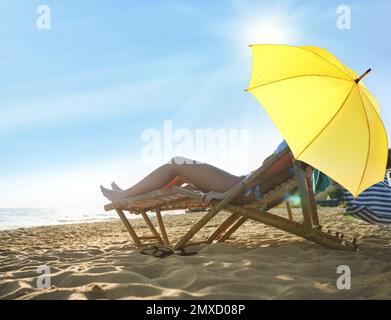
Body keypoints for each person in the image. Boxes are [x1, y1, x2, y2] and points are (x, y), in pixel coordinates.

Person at [101, 141, 293, 206]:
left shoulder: (295, 147)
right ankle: (132, 197)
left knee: (176, 163)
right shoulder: (304, 150)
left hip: (240, 188)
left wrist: (227, 194)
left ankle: (125, 195)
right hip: (243, 185)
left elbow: (262, 176)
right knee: (180, 174)